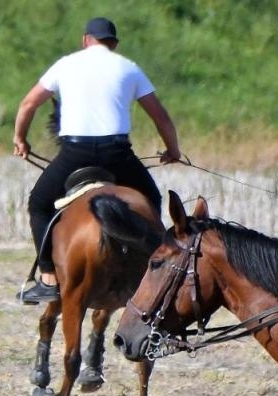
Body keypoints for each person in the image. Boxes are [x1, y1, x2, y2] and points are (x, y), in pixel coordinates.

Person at [12, 17, 181, 304]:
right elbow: (160, 116)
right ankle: (156, 267)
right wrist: (172, 150)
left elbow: (28, 103)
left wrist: (20, 139)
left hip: (73, 154)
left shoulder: (65, 65)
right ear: (114, 44)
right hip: (118, 154)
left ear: (85, 40)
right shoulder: (129, 68)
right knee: (151, 199)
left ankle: (48, 277)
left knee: (39, 204)